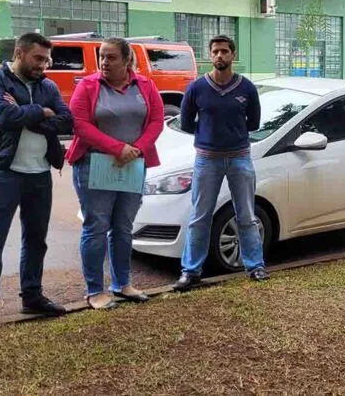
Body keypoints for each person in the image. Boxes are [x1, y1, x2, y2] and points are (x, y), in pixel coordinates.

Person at [0, 33, 73, 334]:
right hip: (4, 171)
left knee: (36, 239)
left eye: (47, 60)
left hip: (39, 173)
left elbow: (67, 121)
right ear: (19, 53)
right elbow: (2, 116)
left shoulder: (48, 85)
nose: (44, 65)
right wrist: (42, 111)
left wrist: (25, 114)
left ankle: (32, 296)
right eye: (38, 59)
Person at [66, 37, 165, 310]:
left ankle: (122, 284)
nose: (104, 62)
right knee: (96, 226)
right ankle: (94, 290)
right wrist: (116, 148)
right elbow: (80, 124)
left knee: (123, 227)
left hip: (133, 165)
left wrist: (137, 149)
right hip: (94, 165)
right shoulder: (88, 85)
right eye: (102, 57)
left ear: (127, 61)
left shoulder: (145, 85)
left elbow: (157, 120)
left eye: (111, 57)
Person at [172, 34, 268, 291]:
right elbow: (186, 123)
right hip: (207, 160)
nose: (219, 56)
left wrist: (231, 136)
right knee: (199, 216)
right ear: (210, 55)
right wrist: (208, 138)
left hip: (239, 158)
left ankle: (255, 265)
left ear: (233, 55)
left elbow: (254, 123)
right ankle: (191, 272)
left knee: (246, 214)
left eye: (224, 51)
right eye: (215, 51)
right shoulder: (196, 88)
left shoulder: (246, 88)